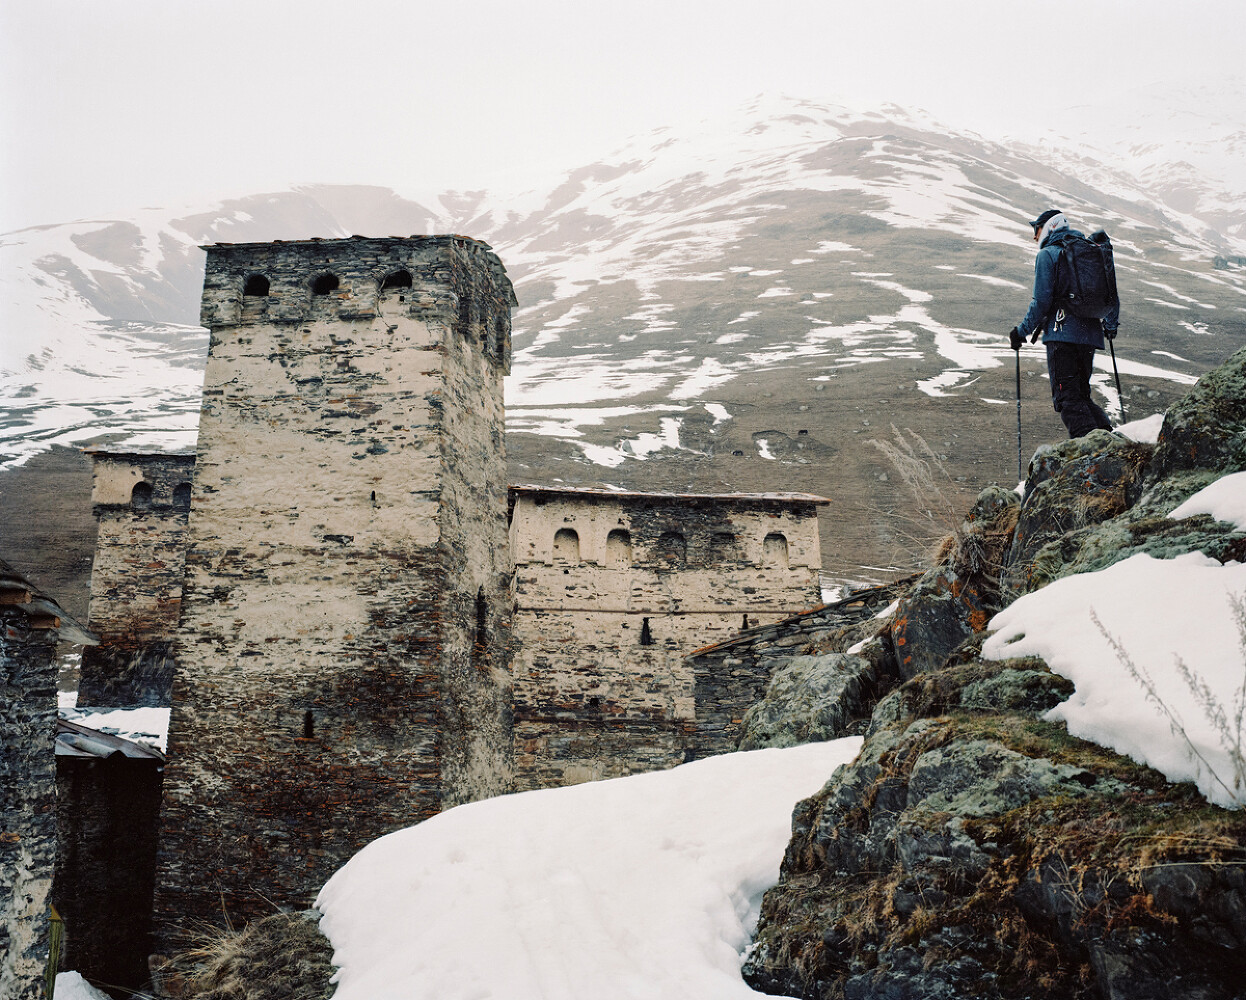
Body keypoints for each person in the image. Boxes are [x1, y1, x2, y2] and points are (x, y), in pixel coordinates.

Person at [1009, 209, 1118, 438]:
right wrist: (1110, 325)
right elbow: (1111, 295)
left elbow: (1041, 302)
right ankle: (1109, 441)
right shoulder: (1091, 252)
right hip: (1090, 335)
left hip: (1062, 335)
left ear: (1049, 226)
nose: (1035, 237)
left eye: (1036, 230)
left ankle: (1091, 451)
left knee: (1067, 399)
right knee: (1081, 395)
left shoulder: (1048, 255)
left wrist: (1021, 332)